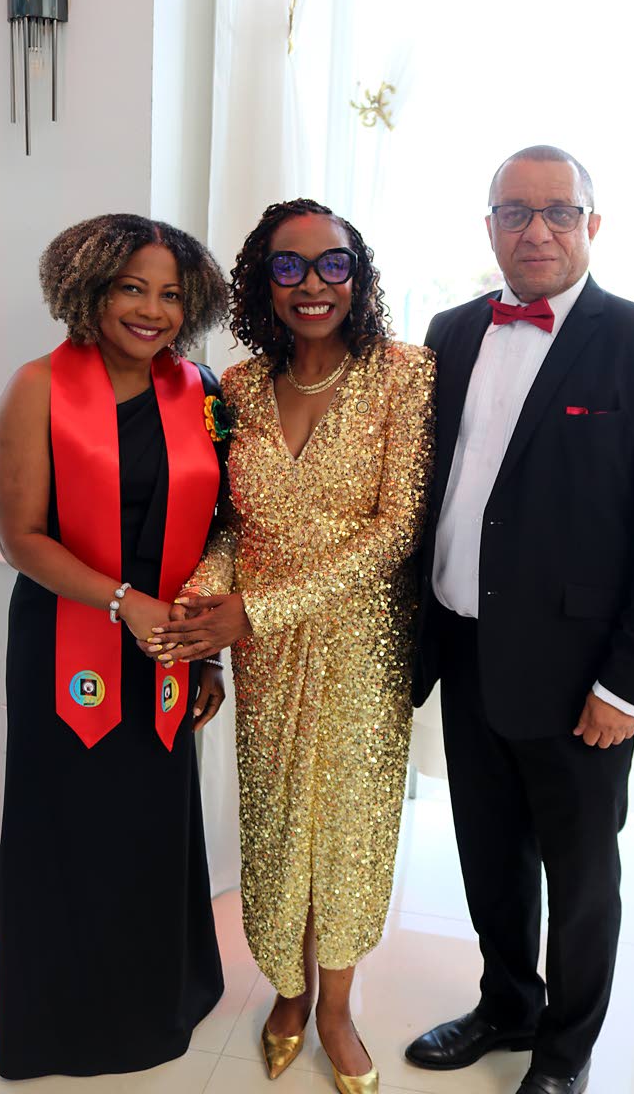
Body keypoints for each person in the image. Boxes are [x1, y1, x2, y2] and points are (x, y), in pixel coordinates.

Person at [404, 146, 634, 1094]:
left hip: (583, 671)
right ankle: (508, 1004)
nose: (535, 230)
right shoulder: (451, 331)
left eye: (557, 212)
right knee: (488, 854)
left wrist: (626, 685)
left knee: (583, 880)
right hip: (465, 647)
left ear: (593, 223)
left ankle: (567, 1049)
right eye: (514, 212)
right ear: (489, 226)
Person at [143, 198, 435, 1093]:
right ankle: (286, 990)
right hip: (263, 649)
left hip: (361, 644)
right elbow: (230, 522)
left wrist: (254, 611)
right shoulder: (232, 387)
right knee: (272, 823)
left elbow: (397, 528)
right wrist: (204, 607)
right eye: (289, 266)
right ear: (261, 280)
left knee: (346, 831)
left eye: (332, 264)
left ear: (360, 274)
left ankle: (338, 1006)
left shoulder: (403, 374)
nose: (313, 284)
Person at [0, 213, 231, 1079]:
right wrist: (122, 601)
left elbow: (215, 531)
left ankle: (163, 992)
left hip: (164, 645)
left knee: (152, 826)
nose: (152, 310)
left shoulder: (200, 390)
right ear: (88, 288)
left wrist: (199, 646)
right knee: (72, 828)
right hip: (66, 640)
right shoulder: (38, 387)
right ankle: (67, 1023)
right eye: (133, 287)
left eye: (171, 294)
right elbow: (20, 536)